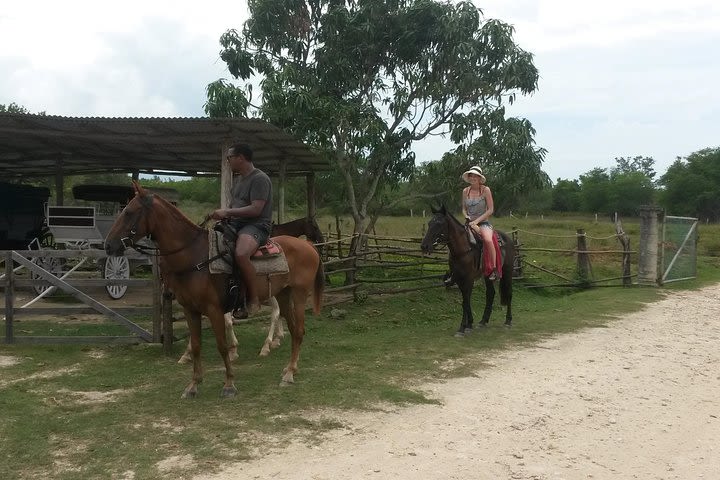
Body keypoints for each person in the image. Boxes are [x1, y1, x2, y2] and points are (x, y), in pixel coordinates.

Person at [210, 143, 272, 318]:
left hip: (256, 225)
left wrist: (226, 212)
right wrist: (224, 216)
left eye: (230, 157)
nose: (228, 161)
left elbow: (256, 209)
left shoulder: (260, 178)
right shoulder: (238, 181)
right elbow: (234, 205)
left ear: (241, 158)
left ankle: (253, 299)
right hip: (236, 224)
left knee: (241, 254)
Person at [461, 165, 498, 280]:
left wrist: (476, 221)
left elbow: (490, 210)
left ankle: (493, 268)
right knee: (455, 238)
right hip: (469, 222)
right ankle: (455, 270)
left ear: (479, 178)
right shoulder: (465, 191)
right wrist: (466, 216)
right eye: (471, 176)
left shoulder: (485, 190)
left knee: (487, 239)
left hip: (483, 223)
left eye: (475, 176)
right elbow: (463, 208)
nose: (473, 178)